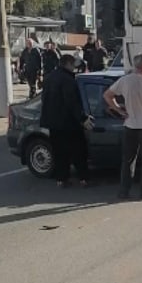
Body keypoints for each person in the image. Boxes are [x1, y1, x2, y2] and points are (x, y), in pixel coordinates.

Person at [104, 52, 142, 200]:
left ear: (134, 65)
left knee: (128, 160)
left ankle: (124, 190)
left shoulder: (124, 81)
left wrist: (119, 110)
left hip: (130, 125)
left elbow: (107, 95)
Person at [40, 53, 94, 187]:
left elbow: (44, 99)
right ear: (68, 64)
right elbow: (72, 102)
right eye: (73, 65)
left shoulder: (49, 78)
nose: (75, 68)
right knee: (78, 151)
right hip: (69, 123)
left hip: (53, 123)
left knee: (59, 152)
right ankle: (83, 178)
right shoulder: (68, 80)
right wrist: (83, 118)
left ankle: (61, 179)